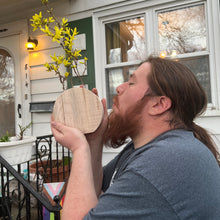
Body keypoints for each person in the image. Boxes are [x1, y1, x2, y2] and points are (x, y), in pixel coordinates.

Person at [51, 56, 220, 220]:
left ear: (159, 104)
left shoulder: (165, 160)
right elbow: (95, 191)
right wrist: (94, 140)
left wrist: (79, 149)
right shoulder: (141, 150)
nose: (119, 88)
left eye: (131, 83)